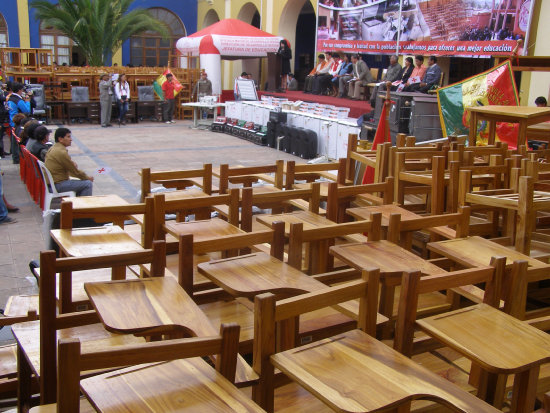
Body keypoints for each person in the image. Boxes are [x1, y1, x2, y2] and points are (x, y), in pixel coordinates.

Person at [45, 128, 94, 197]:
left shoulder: (54, 148)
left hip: (52, 183)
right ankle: (83, 207)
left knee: (81, 182)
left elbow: (69, 167)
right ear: (60, 139)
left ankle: (77, 205)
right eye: (68, 137)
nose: (71, 139)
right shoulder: (61, 152)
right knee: (87, 184)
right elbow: (74, 172)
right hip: (57, 185)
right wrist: (87, 177)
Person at [7, 82, 31, 163]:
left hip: (12, 121)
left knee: (14, 141)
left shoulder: (10, 98)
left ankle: (15, 157)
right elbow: (27, 111)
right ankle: (18, 158)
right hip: (18, 122)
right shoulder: (18, 100)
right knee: (19, 141)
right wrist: (27, 102)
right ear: (19, 90)